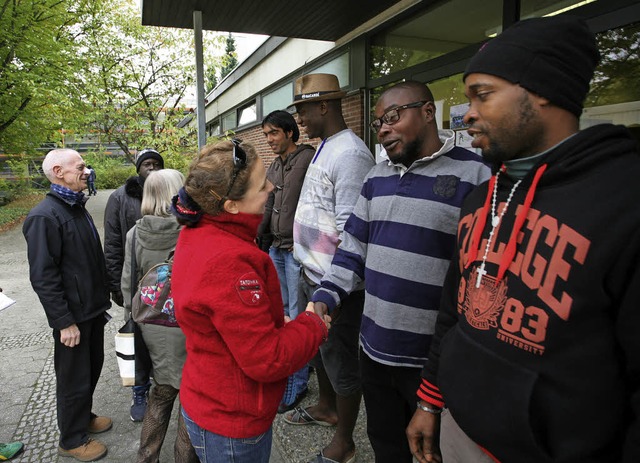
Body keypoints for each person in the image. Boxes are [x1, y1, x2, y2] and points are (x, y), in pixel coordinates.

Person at [406, 16, 640, 463]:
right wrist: (429, 400)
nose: (468, 112)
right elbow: (452, 313)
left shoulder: (625, 202)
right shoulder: (481, 198)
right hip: (458, 434)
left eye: (483, 94)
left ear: (542, 90)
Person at [311, 81, 490, 462]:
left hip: (431, 360)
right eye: (378, 123)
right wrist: (326, 298)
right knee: (387, 447)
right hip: (374, 350)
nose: (384, 128)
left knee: (432, 453)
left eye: (393, 116)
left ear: (428, 112)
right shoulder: (376, 177)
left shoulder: (476, 175)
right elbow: (352, 248)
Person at [170, 139, 329, 463]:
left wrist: (272, 324)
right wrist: (313, 325)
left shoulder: (200, 229)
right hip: (232, 420)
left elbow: (225, 323)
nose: (271, 186)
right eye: (261, 184)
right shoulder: (230, 260)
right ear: (230, 205)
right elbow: (266, 359)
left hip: (208, 398)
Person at [283, 73, 375, 463]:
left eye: (303, 109)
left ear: (324, 106)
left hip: (336, 285)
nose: (299, 119)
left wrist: (334, 289)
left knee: (340, 360)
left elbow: (354, 231)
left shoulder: (351, 154)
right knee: (317, 351)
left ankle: (345, 442)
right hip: (311, 274)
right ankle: (326, 405)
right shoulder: (325, 146)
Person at [23, 149, 112, 462]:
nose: (86, 171)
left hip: (91, 309)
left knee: (90, 370)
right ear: (58, 171)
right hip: (73, 316)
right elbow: (43, 277)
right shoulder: (44, 216)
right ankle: (72, 439)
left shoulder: (75, 206)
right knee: (73, 379)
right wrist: (63, 321)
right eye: (80, 167)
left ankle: (83, 417)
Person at [120, 169, 197, 463]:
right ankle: (184, 458)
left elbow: (128, 285)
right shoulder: (191, 230)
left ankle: (146, 457)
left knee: (161, 393)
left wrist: (133, 321)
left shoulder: (134, 234)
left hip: (151, 325)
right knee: (190, 399)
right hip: (188, 325)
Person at [257, 109, 315, 413]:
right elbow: (268, 204)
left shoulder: (307, 159)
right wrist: (259, 235)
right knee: (279, 314)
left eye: (274, 133)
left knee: (296, 315)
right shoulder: (274, 166)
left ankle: (298, 383)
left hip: (296, 251)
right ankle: (290, 372)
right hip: (275, 249)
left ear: (290, 132)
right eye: (266, 134)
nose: (269, 140)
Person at [104, 148, 164, 422]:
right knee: (137, 338)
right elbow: (113, 243)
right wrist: (117, 284)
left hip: (166, 283)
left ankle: (169, 384)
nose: (151, 168)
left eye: (156, 164)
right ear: (138, 168)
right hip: (136, 282)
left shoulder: (170, 191)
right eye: (146, 164)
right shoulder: (120, 197)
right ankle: (140, 390)